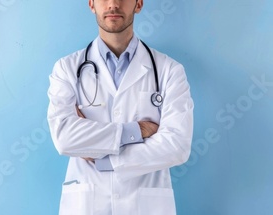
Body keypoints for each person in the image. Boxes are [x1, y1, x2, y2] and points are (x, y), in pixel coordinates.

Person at [47, 0, 194, 214]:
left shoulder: (169, 71)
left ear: (139, 4)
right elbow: (64, 137)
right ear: (91, 4)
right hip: (88, 204)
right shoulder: (67, 69)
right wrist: (135, 131)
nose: (113, 4)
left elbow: (177, 146)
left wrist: (103, 158)